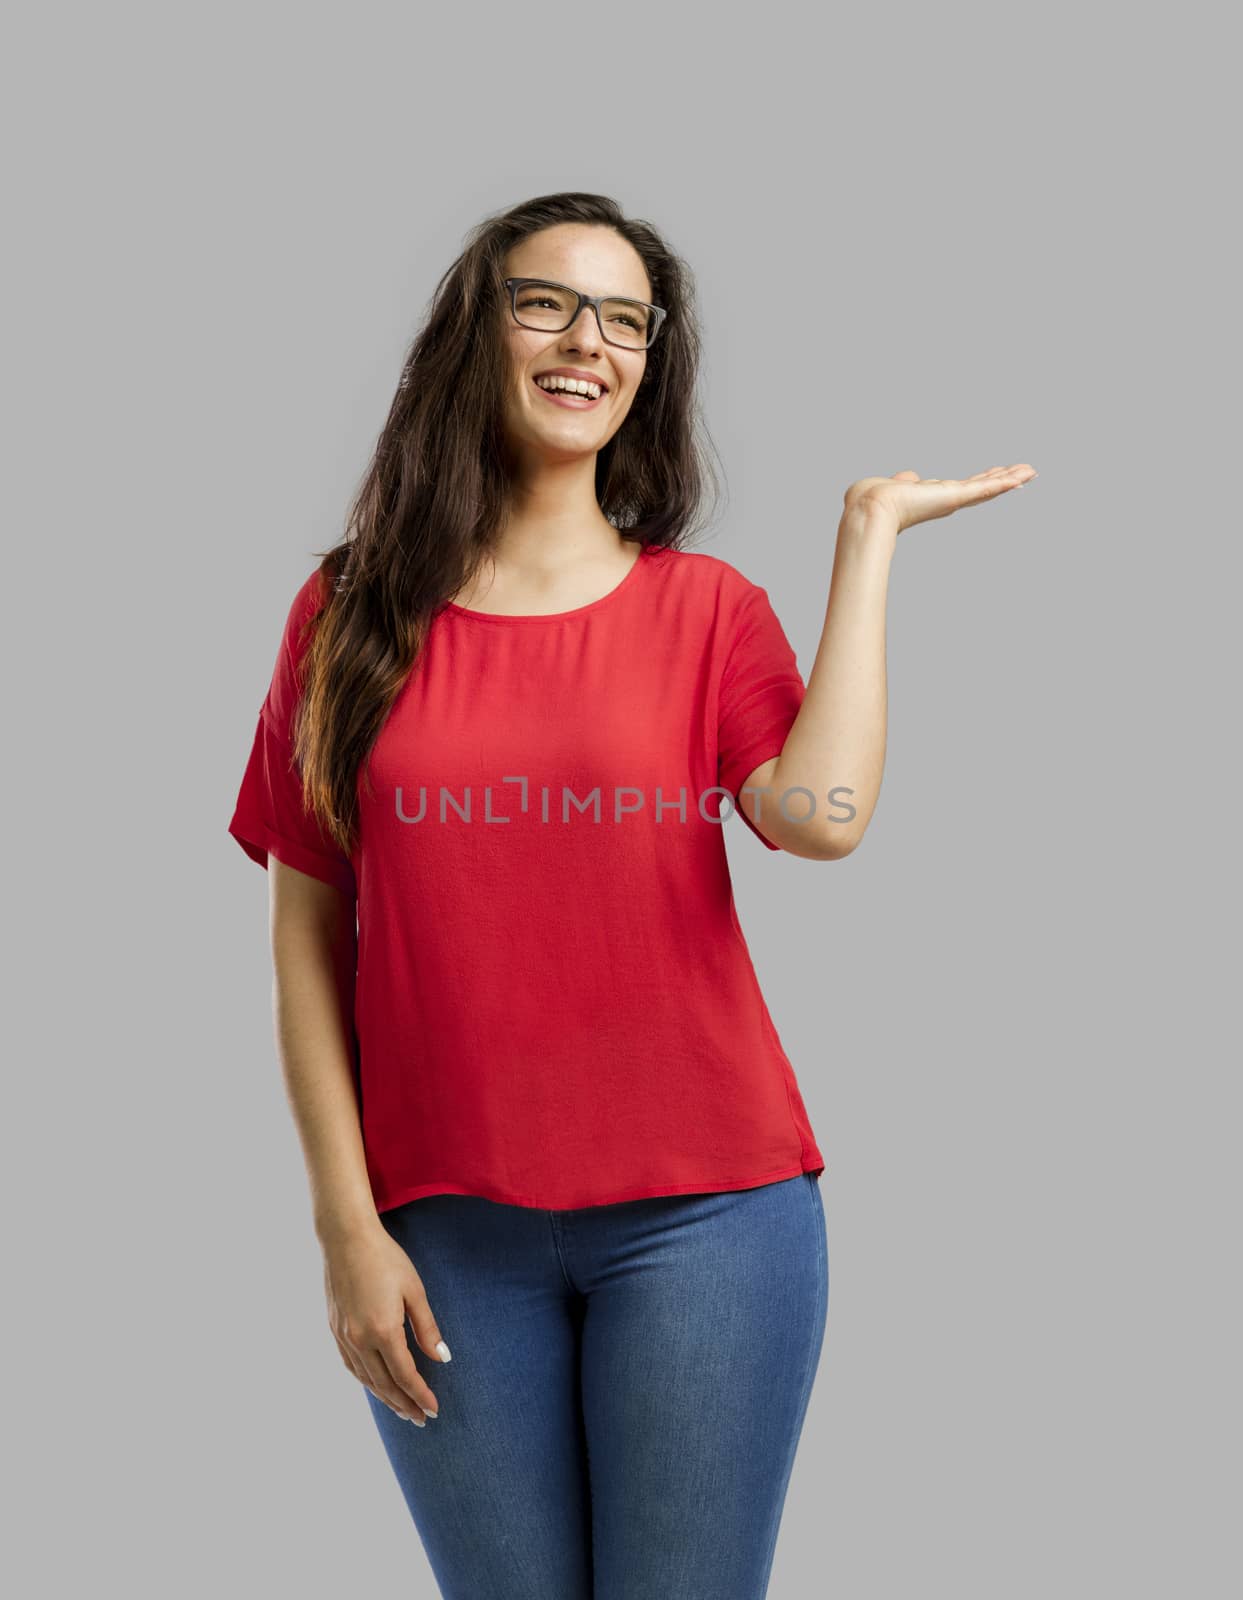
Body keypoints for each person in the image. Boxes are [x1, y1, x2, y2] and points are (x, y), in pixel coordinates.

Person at [226, 190, 1035, 1599]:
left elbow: (822, 819)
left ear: (648, 365)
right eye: (546, 302)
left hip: (711, 1220)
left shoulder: (703, 610)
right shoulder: (349, 615)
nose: (585, 341)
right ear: (478, 333)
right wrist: (344, 1230)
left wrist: (866, 544)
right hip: (440, 1234)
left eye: (624, 321)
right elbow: (307, 930)